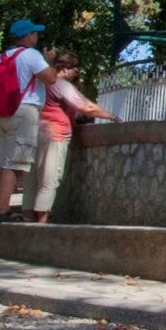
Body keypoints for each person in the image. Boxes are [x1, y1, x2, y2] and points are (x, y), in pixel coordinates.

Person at [22, 51, 116, 223]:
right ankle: (41, 223)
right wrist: (111, 116)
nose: (76, 74)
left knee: (31, 179)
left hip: (32, 131)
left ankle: (27, 219)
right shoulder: (60, 84)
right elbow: (86, 107)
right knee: (49, 179)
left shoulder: (39, 82)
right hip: (54, 134)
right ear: (65, 69)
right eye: (74, 69)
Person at [0, 21, 55, 225]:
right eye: (35, 33)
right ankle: (3, 211)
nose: (36, 37)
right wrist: (49, 60)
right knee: (14, 164)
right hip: (24, 111)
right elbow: (50, 78)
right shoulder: (32, 55)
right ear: (28, 35)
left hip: (1, 113)